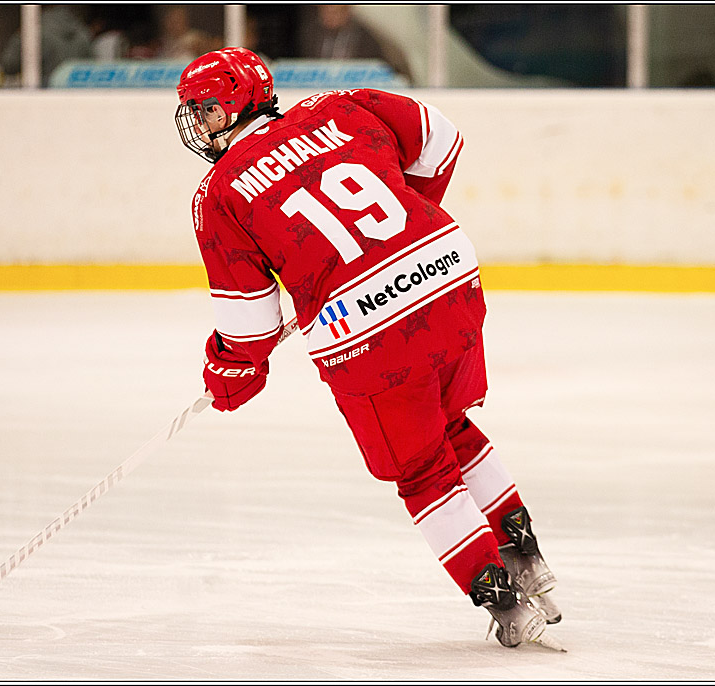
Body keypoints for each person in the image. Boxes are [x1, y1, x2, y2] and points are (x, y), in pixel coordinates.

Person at [175, 47, 564, 650]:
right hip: (449, 276)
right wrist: (413, 213)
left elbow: (249, 325)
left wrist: (233, 372)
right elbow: (443, 137)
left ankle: (503, 600)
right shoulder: (342, 105)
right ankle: (525, 555)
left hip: (369, 333)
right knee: (450, 423)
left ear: (229, 108)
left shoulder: (220, 194)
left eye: (202, 111)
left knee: (420, 469)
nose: (197, 126)